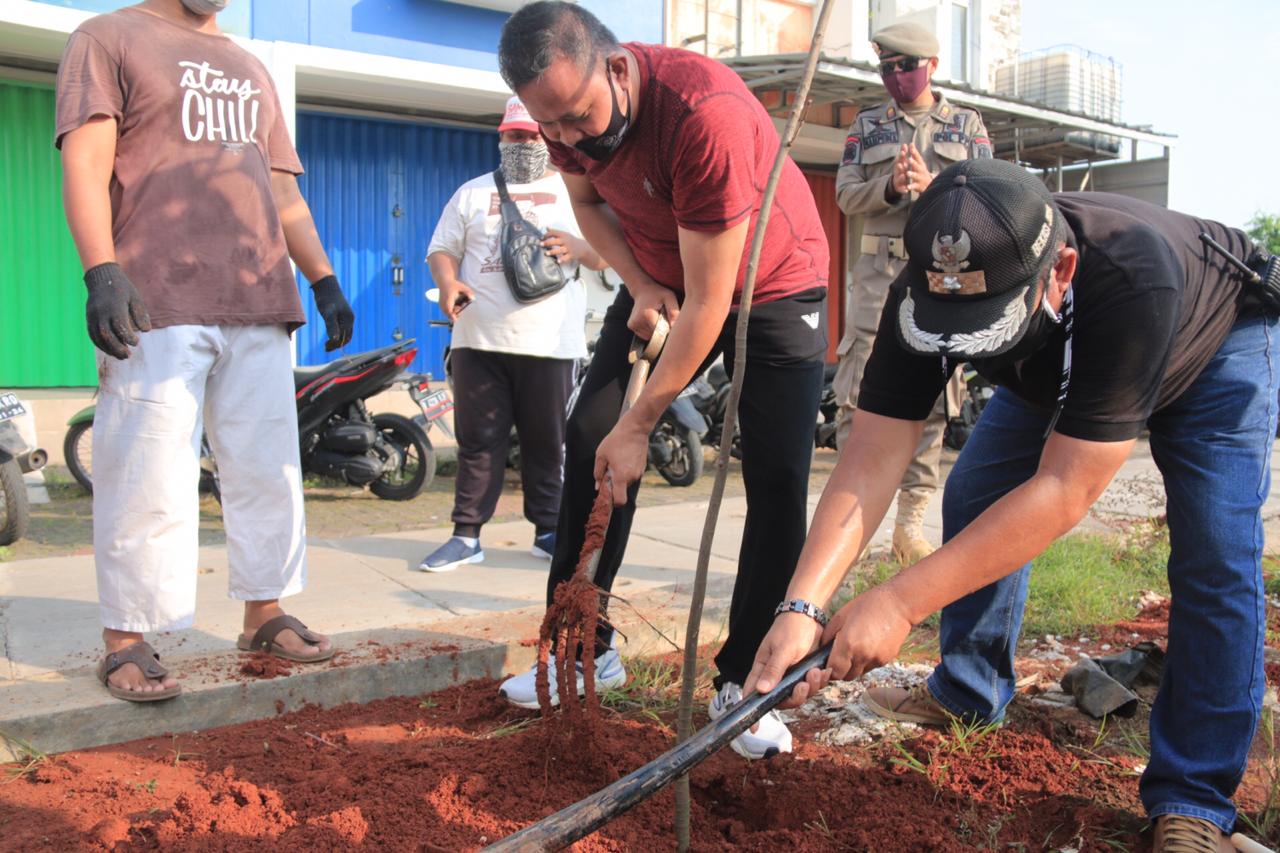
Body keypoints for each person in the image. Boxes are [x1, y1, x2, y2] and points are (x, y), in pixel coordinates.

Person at [746, 158, 1275, 851]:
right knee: (977, 492)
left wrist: (899, 602)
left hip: (1213, 345)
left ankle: (1194, 798)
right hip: (1055, 351)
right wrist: (803, 605)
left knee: (1214, 552)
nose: (961, 343)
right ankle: (969, 690)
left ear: (1060, 271)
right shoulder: (925, 284)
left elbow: (1066, 487)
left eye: (983, 325)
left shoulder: (1132, 275)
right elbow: (873, 452)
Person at [492, 1, 830, 761]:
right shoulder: (566, 119)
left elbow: (712, 301)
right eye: (552, 127)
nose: (570, 140)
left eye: (579, 117)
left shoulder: (701, 116)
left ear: (617, 68)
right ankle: (584, 649)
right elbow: (587, 204)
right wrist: (639, 283)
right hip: (664, 273)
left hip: (774, 284)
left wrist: (643, 422)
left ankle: (745, 683)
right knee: (591, 433)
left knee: (776, 472)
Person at [56, 0, 354, 702]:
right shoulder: (109, 38)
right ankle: (126, 638)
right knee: (147, 472)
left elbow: (280, 189)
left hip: (259, 297)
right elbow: (87, 162)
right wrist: (101, 270)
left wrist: (323, 278)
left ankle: (264, 612)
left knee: (268, 469)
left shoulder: (250, 65)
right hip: (156, 298)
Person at [418, 95, 607, 573]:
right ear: (501, 136)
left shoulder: (574, 191)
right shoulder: (471, 193)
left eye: (531, 134)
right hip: (478, 340)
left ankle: (548, 531)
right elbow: (441, 249)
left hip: (549, 343)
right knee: (478, 442)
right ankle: (466, 535)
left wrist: (580, 247)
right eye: (514, 135)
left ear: (548, 137)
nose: (522, 142)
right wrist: (448, 283)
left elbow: (608, 254)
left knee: (548, 442)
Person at [832, 21, 991, 566]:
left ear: (932, 66)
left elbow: (988, 199)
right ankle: (848, 529)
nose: (895, 76)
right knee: (857, 393)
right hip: (878, 274)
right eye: (886, 67)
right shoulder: (867, 125)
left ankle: (909, 526)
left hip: (941, 275)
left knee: (934, 395)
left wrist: (933, 188)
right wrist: (891, 186)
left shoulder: (966, 126)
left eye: (905, 66)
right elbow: (845, 196)